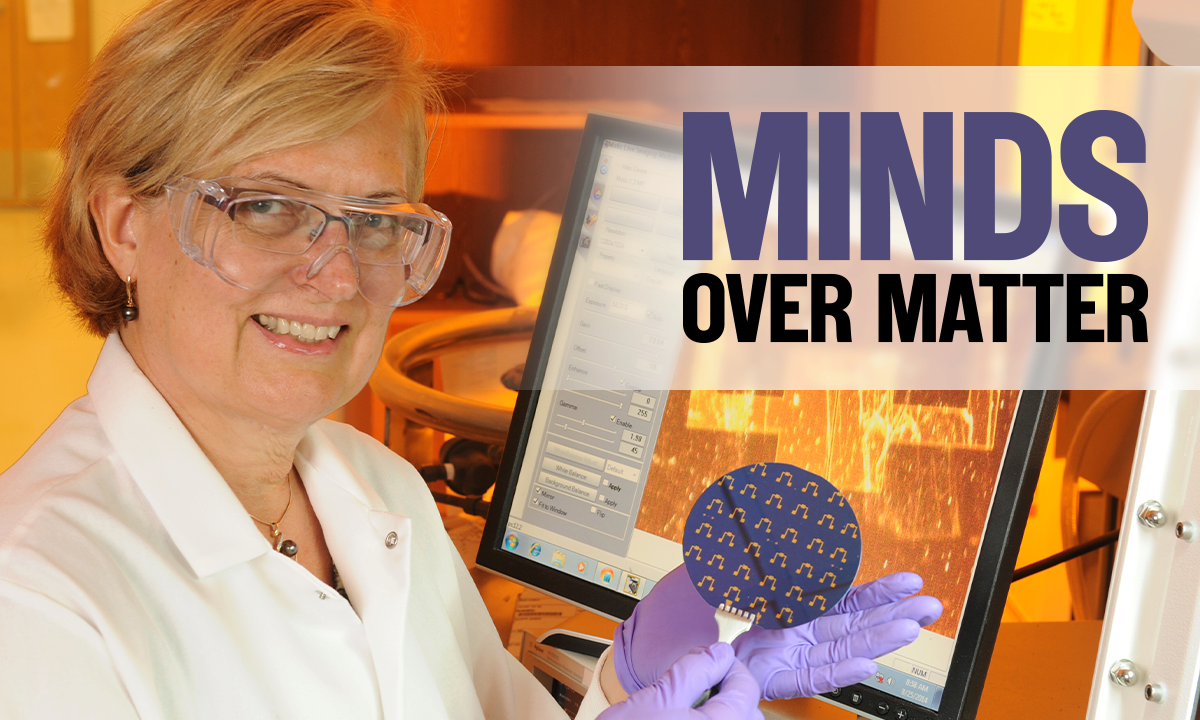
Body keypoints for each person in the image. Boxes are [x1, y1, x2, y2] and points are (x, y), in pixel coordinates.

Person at [0, 0, 940, 717]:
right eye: (263, 206)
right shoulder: (37, 597)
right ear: (123, 226)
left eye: (375, 221)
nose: (333, 276)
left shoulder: (378, 493)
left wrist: (633, 675)